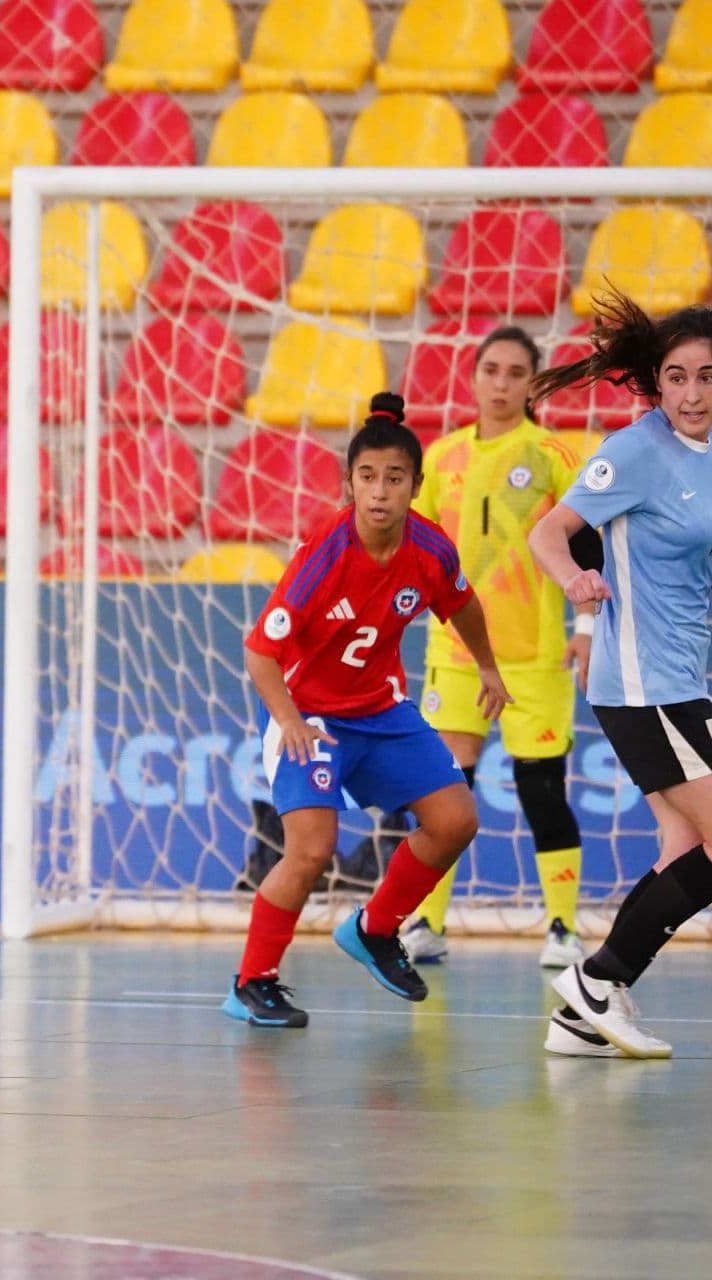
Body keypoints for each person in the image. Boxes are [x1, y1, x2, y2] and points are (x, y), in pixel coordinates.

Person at [226, 393, 512, 1029]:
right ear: (348, 482)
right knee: (311, 850)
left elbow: (462, 603)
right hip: (312, 717)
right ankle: (252, 980)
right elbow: (259, 653)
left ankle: (375, 929)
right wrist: (292, 722)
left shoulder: (430, 549)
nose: (380, 491)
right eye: (367, 477)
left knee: (456, 819)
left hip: (382, 709)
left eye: (394, 478)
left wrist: (488, 665)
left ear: (415, 485)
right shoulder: (323, 556)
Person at [525, 289, 712, 1060]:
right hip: (643, 683)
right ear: (655, 383)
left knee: (687, 855)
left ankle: (582, 1011)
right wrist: (575, 582)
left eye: (706, 377)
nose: (692, 394)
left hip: (686, 679)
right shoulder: (637, 450)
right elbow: (549, 532)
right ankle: (598, 979)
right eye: (676, 378)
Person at [401, 327, 599, 971]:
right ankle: (426, 923)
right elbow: (414, 550)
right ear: (474, 377)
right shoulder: (445, 455)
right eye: (491, 369)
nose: (502, 382)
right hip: (454, 654)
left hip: (534, 656)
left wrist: (586, 626)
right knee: (444, 792)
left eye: (517, 372)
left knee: (541, 791)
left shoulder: (550, 455)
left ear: (533, 383)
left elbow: (589, 542)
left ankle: (564, 928)